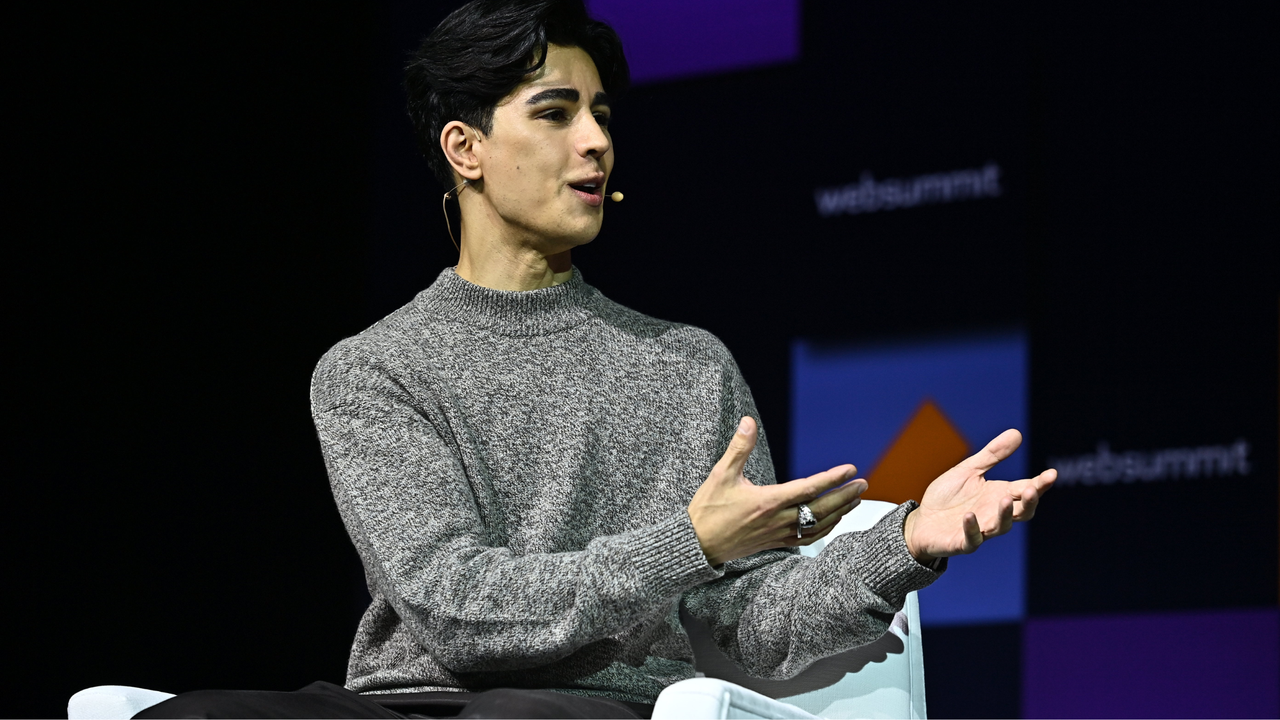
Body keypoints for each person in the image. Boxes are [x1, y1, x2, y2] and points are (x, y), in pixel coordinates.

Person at [136, 1, 1055, 717]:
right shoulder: (373, 368)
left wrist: (903, 543)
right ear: (467, 149)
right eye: (556, 112)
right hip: (407, 703)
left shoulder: (684, 365)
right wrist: (683, 545)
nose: (597, 141)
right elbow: (455, 607)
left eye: (602, 115)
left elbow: (751, 623)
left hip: (592, 708)